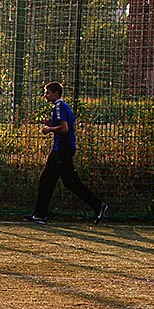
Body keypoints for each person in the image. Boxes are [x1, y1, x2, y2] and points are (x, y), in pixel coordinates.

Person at [29, 79, 108, 224]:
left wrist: (49, 129)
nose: (45, 96)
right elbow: (63, 124)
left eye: (48, 93)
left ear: (56, 93)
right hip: (60, 149)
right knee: (47, 179)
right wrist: (52, 123)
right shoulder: (62, 106)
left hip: (63, 149)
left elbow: (64, 128)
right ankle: (39, 214)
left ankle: (98, 205)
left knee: (69, 182)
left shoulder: (59, 105)